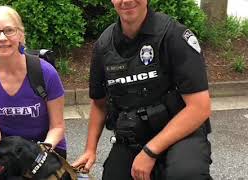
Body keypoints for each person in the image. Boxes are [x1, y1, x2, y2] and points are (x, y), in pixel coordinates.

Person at [72, 0, 212, 179]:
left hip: (181, 134)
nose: (127, 1)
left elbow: (200, 107)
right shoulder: (104, 45)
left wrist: (150, 152)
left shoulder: (174, 35)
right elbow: (99, 104)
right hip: (134, 136)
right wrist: (90, 150)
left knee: (184, 174)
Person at [0, 6, 67, 158]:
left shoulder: (45, 73)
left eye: (9, 30)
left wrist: (39, 154)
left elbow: (57, 127)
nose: (2, 38)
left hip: (47, 147)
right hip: (9, 151)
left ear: (21, 35)